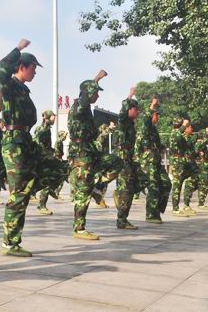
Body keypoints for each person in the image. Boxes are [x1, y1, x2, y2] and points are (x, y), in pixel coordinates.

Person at [0, 40, 64, 255]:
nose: (35, 72)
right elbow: (1, 68)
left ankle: (32, 191)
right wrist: (17, 49)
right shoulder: (9, 86)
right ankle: (10, 243)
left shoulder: (23, 90)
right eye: (33, 68)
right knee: (18, 194)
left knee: (58, 168)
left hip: (25, 141)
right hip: (14, 143)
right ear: (22, 67)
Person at [68, 71, 123, 240]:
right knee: (83, 191)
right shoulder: (79, 107)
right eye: (96, 92)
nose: (98, 96)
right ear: (89, 92)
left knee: (116, 161)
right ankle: (79, 229)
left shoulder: (86, 110)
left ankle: (98, 188)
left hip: (92, 153)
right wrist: (96, 79)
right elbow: (84, 98)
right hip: (82, 154)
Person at [138, 98, 171, 223]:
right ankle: (151, 215)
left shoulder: (154, 131)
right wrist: (152, 105)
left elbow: (157, 145)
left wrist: (163, 147)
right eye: (156, 115)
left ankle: (157, 210)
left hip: (156, 161)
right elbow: (146, 119)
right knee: (153, 187)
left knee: (167, 184)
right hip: (148, 162)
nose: (158, 118)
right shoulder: (146, 127)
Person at [112, 89, 140, 230]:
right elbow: (123, 110)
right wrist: (129, 95)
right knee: (127, 189)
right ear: (129, 109)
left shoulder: (130, 124)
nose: (138, 112)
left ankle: (119, 197)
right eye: (136, 110)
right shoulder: (123, 121)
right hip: (122, 160)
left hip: (128, 159)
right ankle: (121, 220)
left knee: (133, 186)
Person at [168, 119, 196, 217]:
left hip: (181, 162)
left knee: (190, 179)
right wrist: (184, 126)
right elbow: (178, 136)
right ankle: (175, 209)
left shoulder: (179, 134)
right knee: (177, 185)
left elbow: (187, 145)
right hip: (177, 162)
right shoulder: (175, 133)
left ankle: (185, 205)